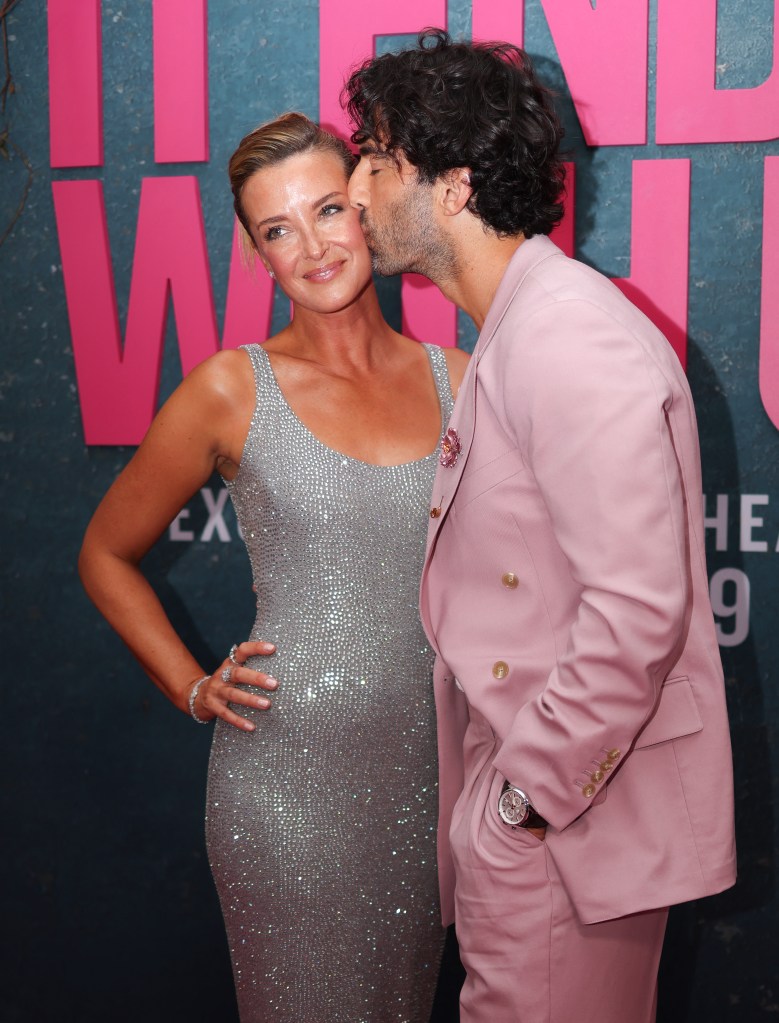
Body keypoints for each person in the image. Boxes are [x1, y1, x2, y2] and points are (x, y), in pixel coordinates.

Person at [343, 29, 737, 1023]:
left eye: (378, 162)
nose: (355, 193)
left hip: (565, 833)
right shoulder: (522, 328)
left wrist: (523, 804)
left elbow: (638, 610)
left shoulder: (563, 336)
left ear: (454, 184)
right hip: (552, 829)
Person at [79, 111, 469, 1023]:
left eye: (328, 209)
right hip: (286, 797)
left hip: (429, 789)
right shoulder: (231, 387)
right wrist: (188, 684)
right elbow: (105, 552)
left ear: (367, 207)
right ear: (257, 255)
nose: (313, 247)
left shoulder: (461, 378)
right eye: (277, 230)